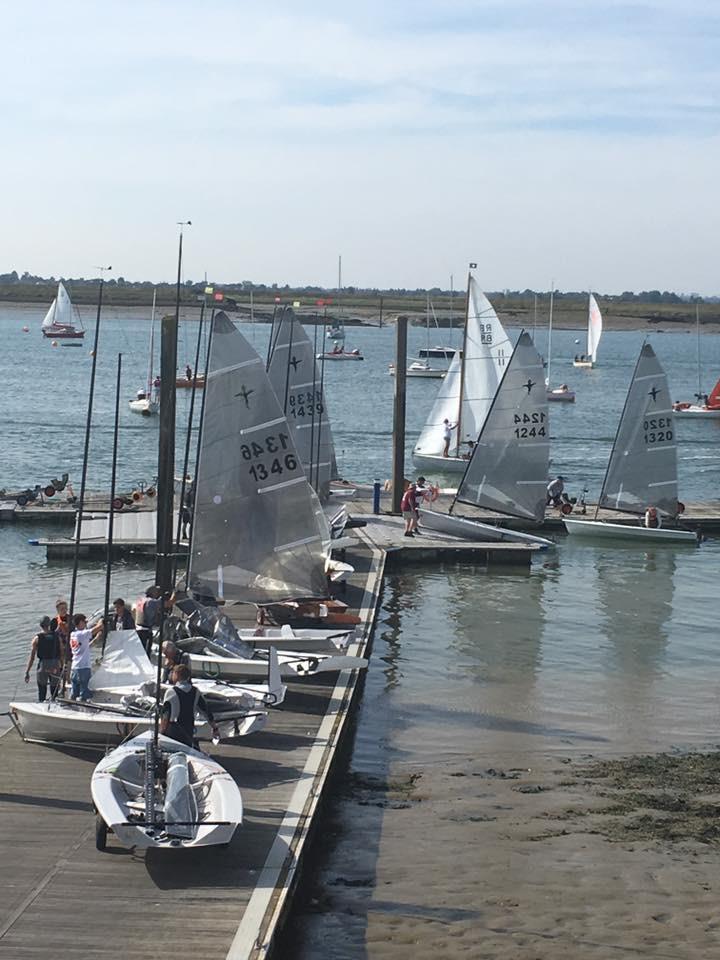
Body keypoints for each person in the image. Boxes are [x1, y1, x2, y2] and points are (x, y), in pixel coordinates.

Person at [160, 664, 219, 747]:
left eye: (173, 673)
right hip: (188, 730)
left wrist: (161, 733)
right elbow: (206, 711)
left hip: (173, 730)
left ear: (177, 675)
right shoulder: (195, 691)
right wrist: (214, 727)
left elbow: (165, 715)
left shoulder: (171, 692)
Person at [24, 616, 63, 702]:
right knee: (55, 692)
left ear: (41, 626)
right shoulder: (57, 637)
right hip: (55, 665)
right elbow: (61, 653)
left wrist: (27, 671)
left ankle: (41, 707)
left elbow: (32, 657)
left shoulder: (37, 639)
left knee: (42, 691)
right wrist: (62, 667)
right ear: (49, 624)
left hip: (43, 666)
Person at [68, 613, 102, 701]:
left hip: (74, 667)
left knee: (74, 692)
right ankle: (83, 708)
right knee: (84, 692)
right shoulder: (82, 634)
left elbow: (84, 645)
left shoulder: (73, 634)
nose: (86, 624)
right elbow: (99, 627)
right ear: (80, 623)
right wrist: (101, 620)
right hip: (83, 667)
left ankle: (70, 705)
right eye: (84, 622)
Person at [134, 585, 163, 651]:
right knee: (146, 652)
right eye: (157, 592)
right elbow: (166, 604)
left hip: (138, 629)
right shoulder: (151, 602)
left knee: (140, 651)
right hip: (145, 632)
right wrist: (175, 595)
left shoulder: (141, 600)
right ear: (152, 593)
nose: (158, 593)